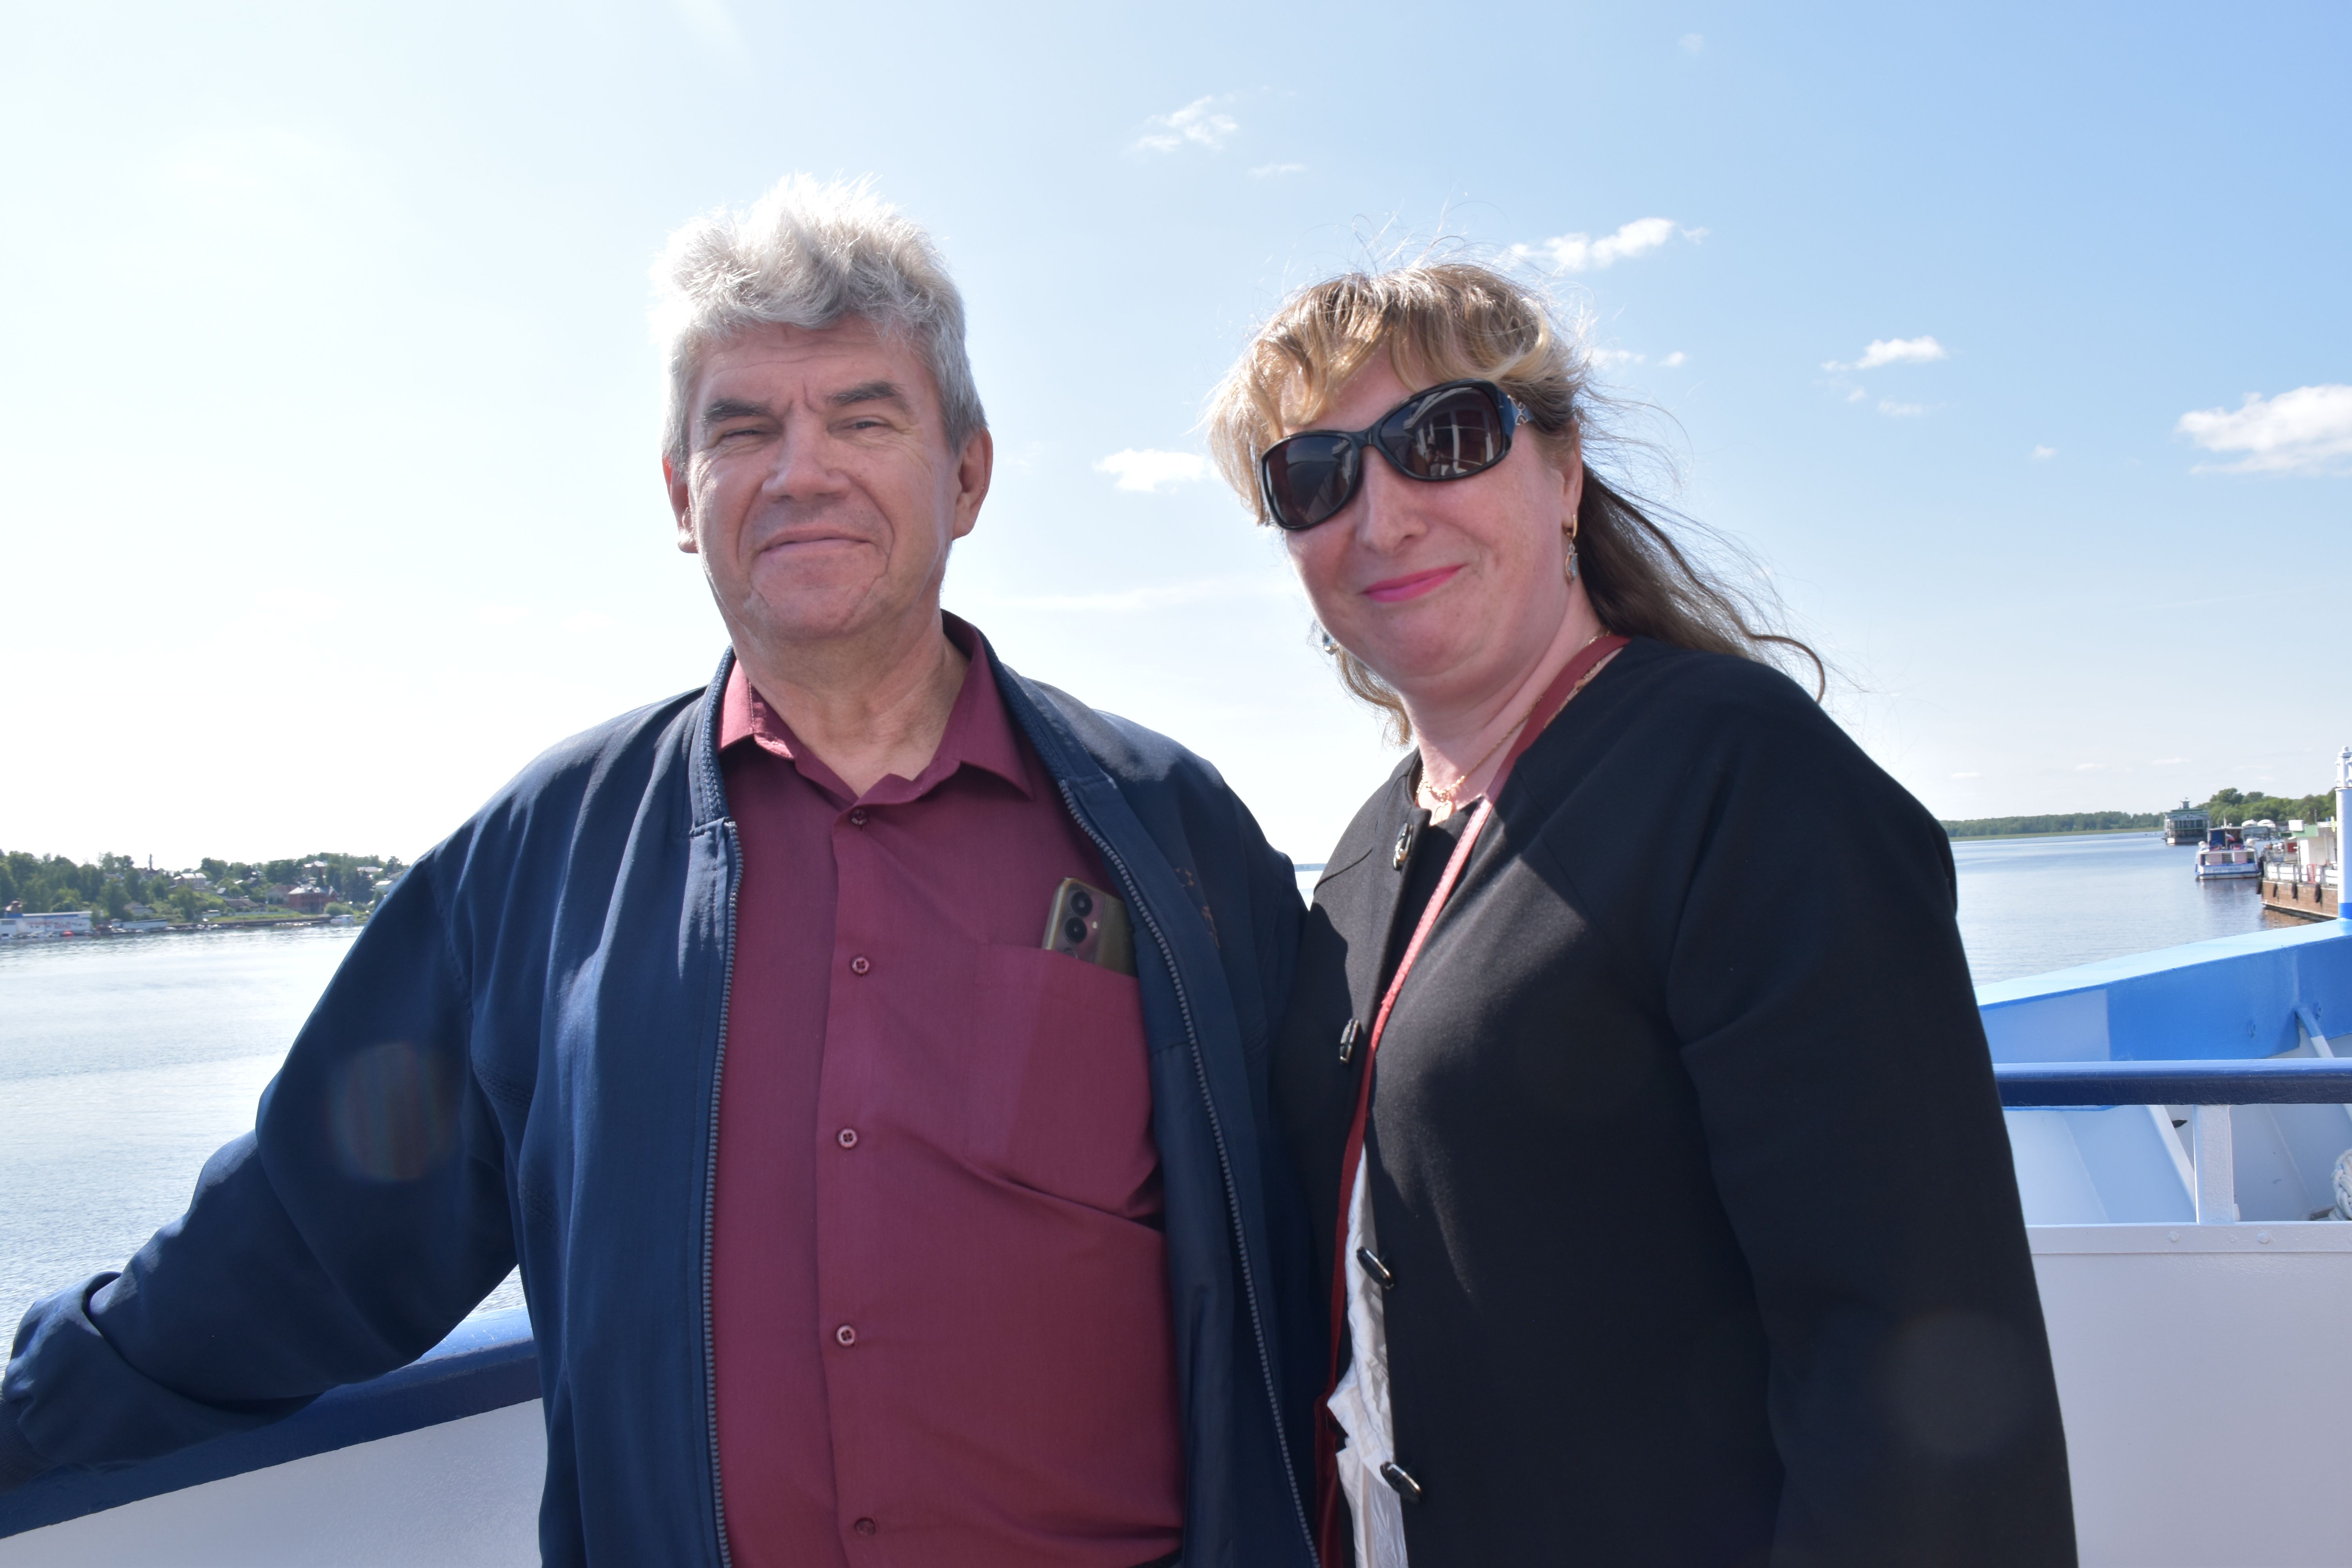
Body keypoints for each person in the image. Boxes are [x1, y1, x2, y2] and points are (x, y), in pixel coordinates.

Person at [0, 176, 1323, 1568]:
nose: (801, 471)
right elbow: (306, 1238)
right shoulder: (542, 859)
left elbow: (1348, 1219)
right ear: (684, 497)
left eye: (865, 418)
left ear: (968, 477)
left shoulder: (1170, 835)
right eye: (742, 429)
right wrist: (32, 1410)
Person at [1205, 261, 2076, 1566]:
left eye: (1444, 439)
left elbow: (1914, 1363)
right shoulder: (1367, 859)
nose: (1381, 516)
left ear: (1564, 475)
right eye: (1315, 475)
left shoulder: (1745, 786)